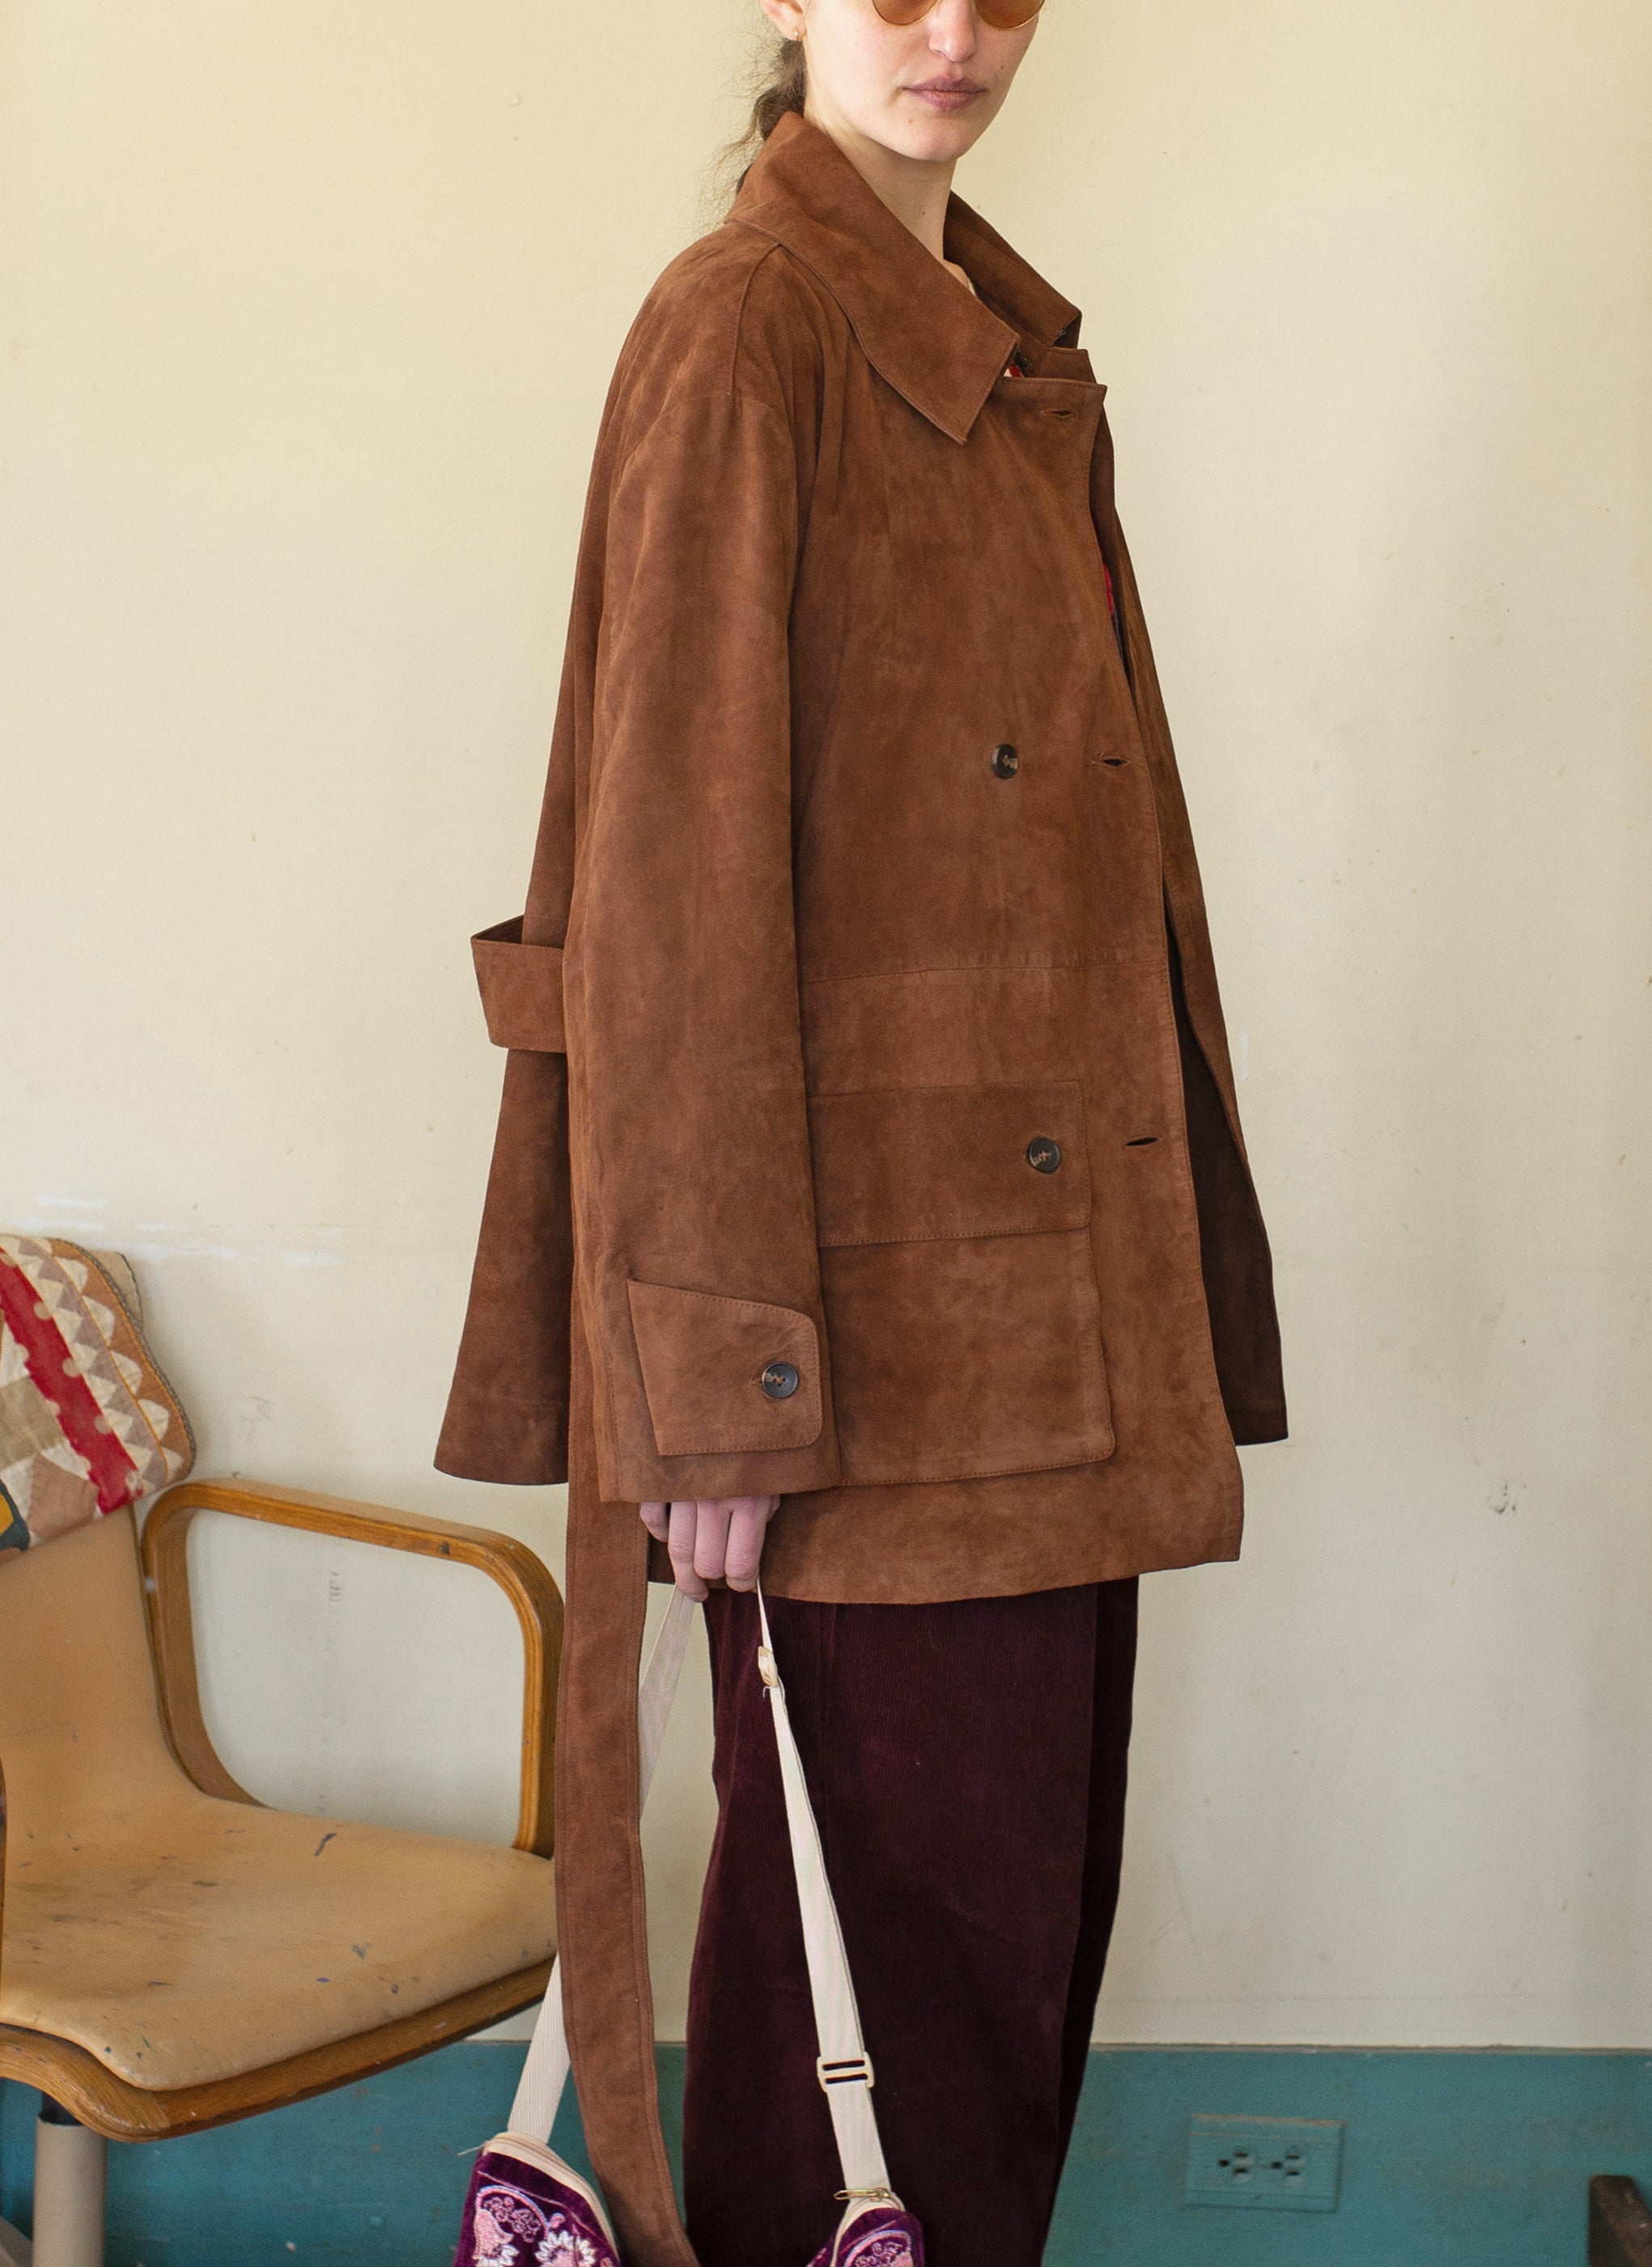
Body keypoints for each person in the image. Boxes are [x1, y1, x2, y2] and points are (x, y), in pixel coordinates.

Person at [435, 3, 1286, 2263]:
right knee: (885, 2037)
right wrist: (709, 1382)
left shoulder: (996, 347)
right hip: (866, 1375)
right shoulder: (750, 331)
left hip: (1041, 1336)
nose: (950, 29)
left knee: (974, 2024)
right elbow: (673, 906)